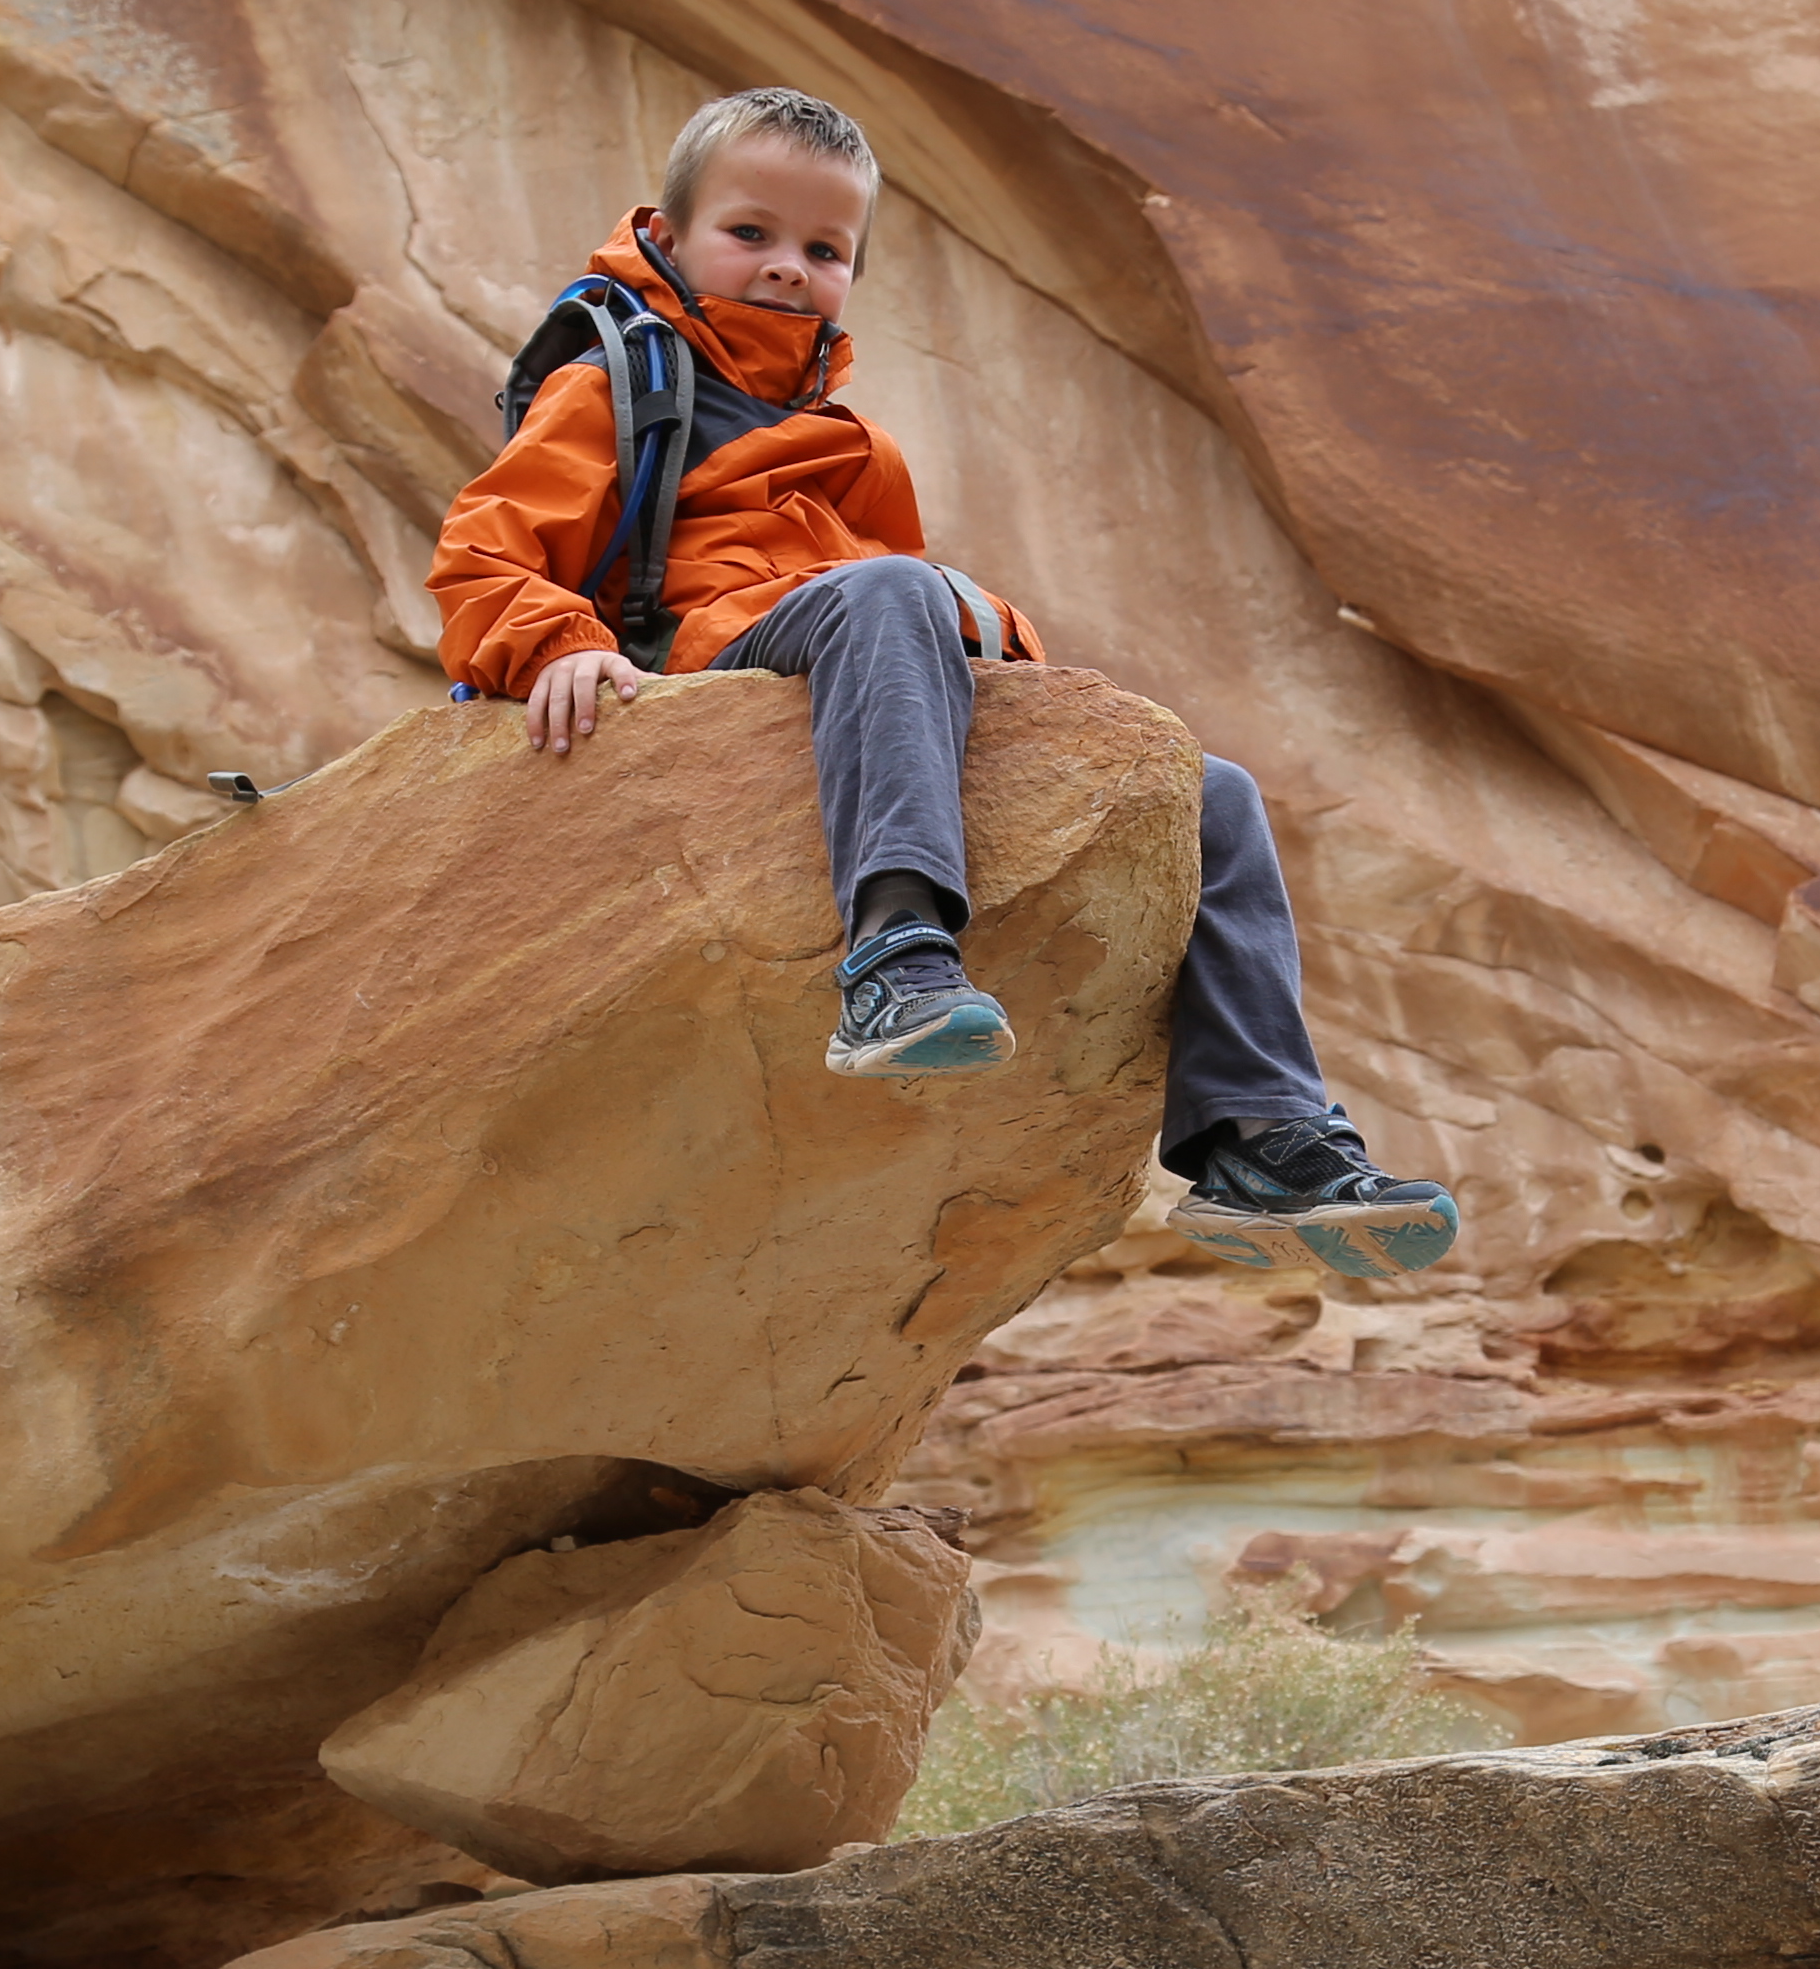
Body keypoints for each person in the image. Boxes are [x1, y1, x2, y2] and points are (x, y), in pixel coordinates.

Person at [427, 85, 1460, 1284]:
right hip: (701, 662)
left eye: (825, 250)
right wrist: (560, 643)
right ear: (665, 235)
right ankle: (894, 959)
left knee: (1201, 786)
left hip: (854, 654)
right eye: (750, 234)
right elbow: (484, 549)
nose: (786, 270)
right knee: (899, 594)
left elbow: (888, 612)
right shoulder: (618, 383)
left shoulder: (854, 444)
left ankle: (1261, 1140)